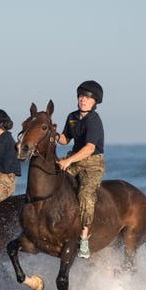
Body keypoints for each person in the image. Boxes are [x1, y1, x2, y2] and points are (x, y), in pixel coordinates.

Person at [56, 81, 105, 259]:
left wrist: (68, 161)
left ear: (94, 102)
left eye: (87, 98)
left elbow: (90, 148)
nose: (83, 100)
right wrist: (52, 133)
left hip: (92, 163)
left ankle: (84, 238)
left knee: (85, 194)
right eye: (81, 96)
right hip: (75, 159)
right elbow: (64, 140)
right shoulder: (72, 116)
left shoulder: (93, 119)